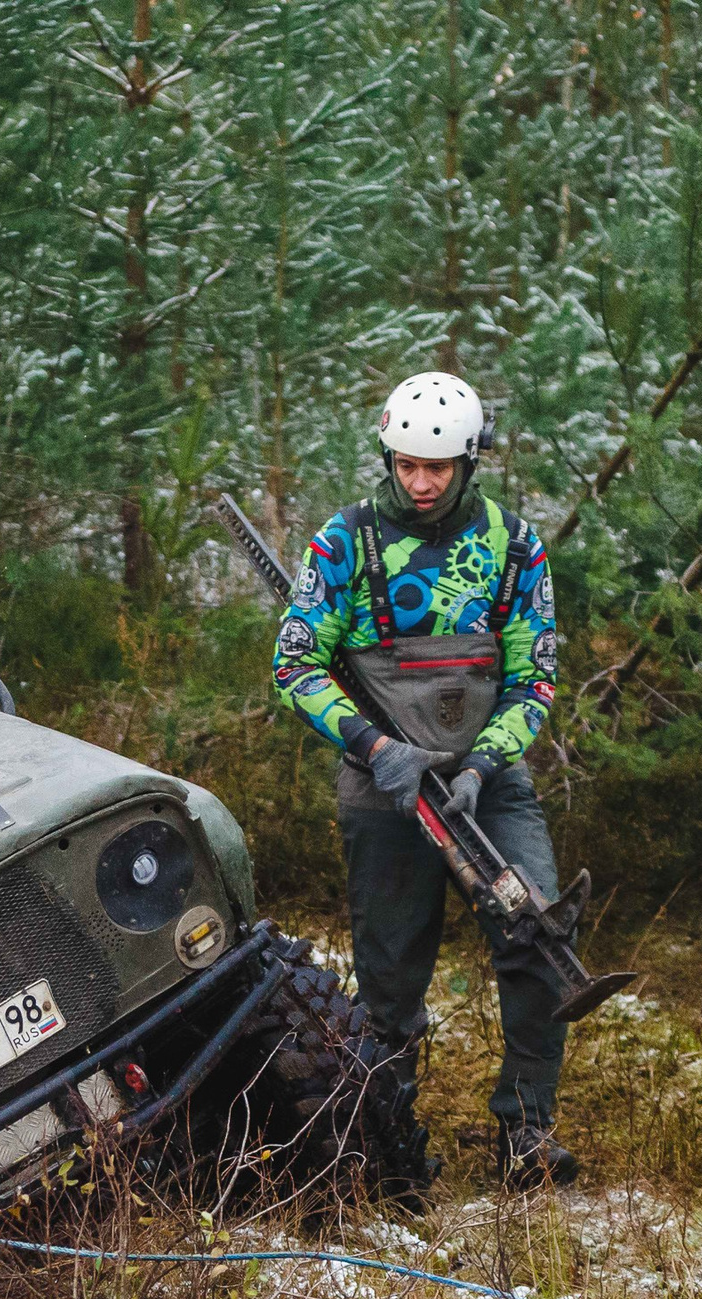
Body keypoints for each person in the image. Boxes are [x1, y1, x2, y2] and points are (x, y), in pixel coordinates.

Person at [271, 373, 576, 1189]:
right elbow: (295, 662)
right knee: (392, 976)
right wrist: (375, 747)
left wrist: (483, 762)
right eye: (406, 464)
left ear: (470, 461)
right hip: (384, 789)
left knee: (539, 934)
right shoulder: (344, 545)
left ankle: (528, 1132)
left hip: (489, 784)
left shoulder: (514, 549)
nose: (421, 481)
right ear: (389, 454)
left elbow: (535, 678)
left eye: (438, 467)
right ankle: (388, 1145)